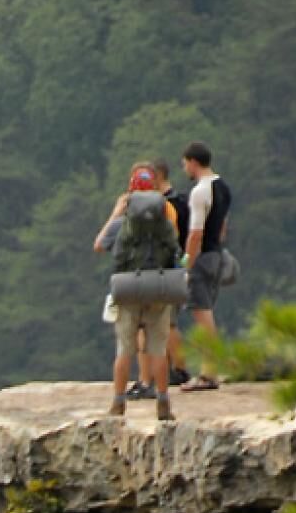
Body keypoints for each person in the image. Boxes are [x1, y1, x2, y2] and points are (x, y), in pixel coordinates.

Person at [94, 164, 181, 398]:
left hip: (128, 288)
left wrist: (115, 213)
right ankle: (162, 399)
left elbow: (99, 245)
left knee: (124, 350)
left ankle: (118, 400)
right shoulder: (165, 222)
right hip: (157, 287)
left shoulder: (121, 224)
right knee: (158, 350)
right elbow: (175, 251)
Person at [180, 141, 233, 389]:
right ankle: (212, 367)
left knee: (201, 313)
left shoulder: (200, 191)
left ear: (192, 161)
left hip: (202, 257)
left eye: (185, 164)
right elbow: (223, 225)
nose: (184, 169)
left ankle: (209, 371)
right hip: (217, 254)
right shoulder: (223, 187)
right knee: (207, 309)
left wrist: (187, 264)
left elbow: (195, 234)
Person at [151, 159, 191, 385]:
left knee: (168, 323)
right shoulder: (182, 201)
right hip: (178, 265)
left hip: (169, 267)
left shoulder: (167, 205)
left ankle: (179, 368)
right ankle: (170, 367)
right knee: (166, 321)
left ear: (157, 175)